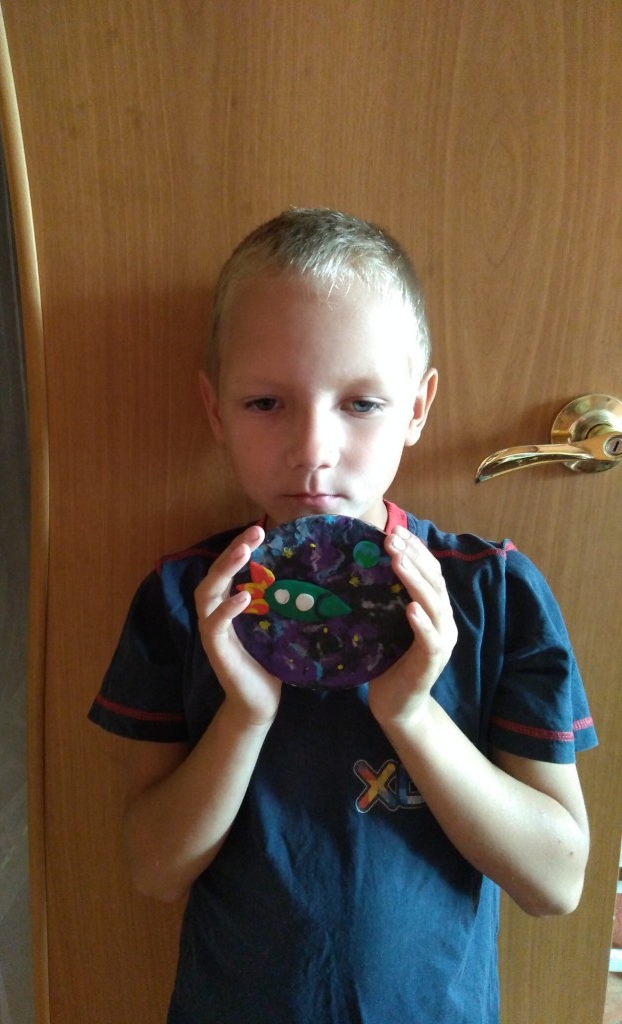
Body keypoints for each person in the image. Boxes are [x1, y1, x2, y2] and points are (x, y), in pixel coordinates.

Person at [88, 208, 597, 1024]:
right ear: (215, 409)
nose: (313, 449)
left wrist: (413, 715)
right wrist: (244, 715)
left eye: (361, 403)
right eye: (266, 403)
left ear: (418, 408)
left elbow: (556, 881)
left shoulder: (494, 594)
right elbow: (155, 871)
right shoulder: (183, 599)